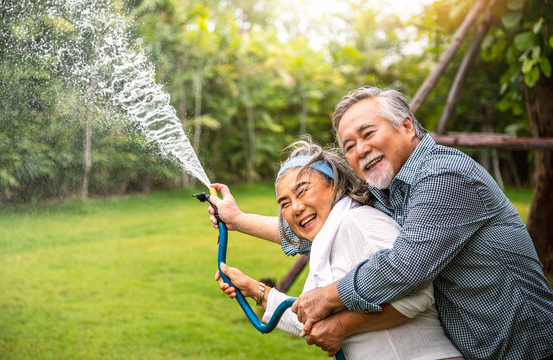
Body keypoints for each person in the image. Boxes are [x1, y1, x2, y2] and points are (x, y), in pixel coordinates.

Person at [209, 86, 553, 359]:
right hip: (483, 347)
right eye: (349, 145)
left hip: (528, 347)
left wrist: (329, 302)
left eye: (368, 133)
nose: (360, 149)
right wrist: (237, 221)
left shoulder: (443, 177)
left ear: (406, 125)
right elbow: (311, 230)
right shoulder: (392, 191)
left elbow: (405, 269)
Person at [215, 140, 462, 359]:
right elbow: (315, 320)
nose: (296, 208)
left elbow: (418, 293)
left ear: (333, 185)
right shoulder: (328, 243)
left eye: (303, 191)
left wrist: (343, 327)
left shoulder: (360, 222)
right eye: (285, 203)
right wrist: (255, 290)